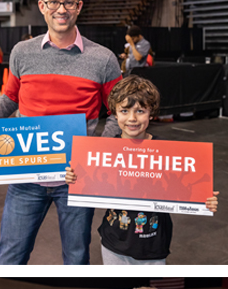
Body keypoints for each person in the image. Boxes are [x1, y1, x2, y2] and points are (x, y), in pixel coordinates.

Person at [0, 0, 123, 265]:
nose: (61, 9)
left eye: (69, 2)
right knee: (10, 257)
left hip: (75, 177)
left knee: (76, 258)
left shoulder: (104, 59)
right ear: (42, 6)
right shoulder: (22, 52)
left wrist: (96, 153)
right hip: (26, 173)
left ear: (79, 6)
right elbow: (8, 99)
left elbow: (118, 113)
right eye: (53, 2)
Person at [66, 75, 219, 264]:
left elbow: (185, 187)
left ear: (151, 112)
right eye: (124, 111)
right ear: (114, 113)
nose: (132, 118)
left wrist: (203, 198)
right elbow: (87, 181)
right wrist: (74, 177)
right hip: (113, 243)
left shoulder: (167, 151)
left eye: (140, 111)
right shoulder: (104, 149)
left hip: (154, 245)